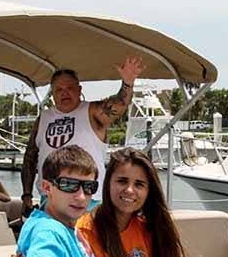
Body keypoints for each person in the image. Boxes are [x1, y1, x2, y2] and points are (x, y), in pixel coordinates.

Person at [8, 147, 187, 257]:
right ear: (47, 188)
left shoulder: (146, 229)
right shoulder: (54, 229)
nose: (80, 196)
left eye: (88, 187)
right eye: (69, 185)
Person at [21, 57, 146, 214]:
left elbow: (119, 104)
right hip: (51, 200)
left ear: (79, 90)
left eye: (70, 88)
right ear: (52, 93)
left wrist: (127, 83)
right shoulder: (43, 118)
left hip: (89, 200)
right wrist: (26, 194)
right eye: (59, 90)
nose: (64, 93)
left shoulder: (93, 112)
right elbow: (30, 157)